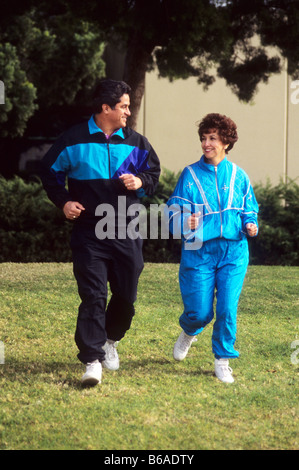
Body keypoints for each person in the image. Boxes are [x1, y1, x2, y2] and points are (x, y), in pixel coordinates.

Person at [40, 79, 160, 386]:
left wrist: (141, 182)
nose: (128, 112)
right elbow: (49, 171)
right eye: (123, 106)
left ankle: (111, 340)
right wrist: (64, 201)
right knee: (93, 295)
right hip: (89, 233)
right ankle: (91, 360)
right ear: (105, 108)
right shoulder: (73, 140)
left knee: (126, 296)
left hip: (127, 230)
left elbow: (153, 173)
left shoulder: (137, 142)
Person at [166, 113, 258, 383]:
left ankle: (222, 359)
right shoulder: (190, 174)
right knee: (200, 312)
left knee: (227, 308)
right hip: (199, 251)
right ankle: (190, 330)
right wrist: (186, 219)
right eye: (204, 138)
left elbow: (249, 209)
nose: (207, 144)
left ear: (226, 142)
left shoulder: (239, 175)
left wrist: (250, 224)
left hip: (234, 251)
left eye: (213, 138)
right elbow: (173, 211)